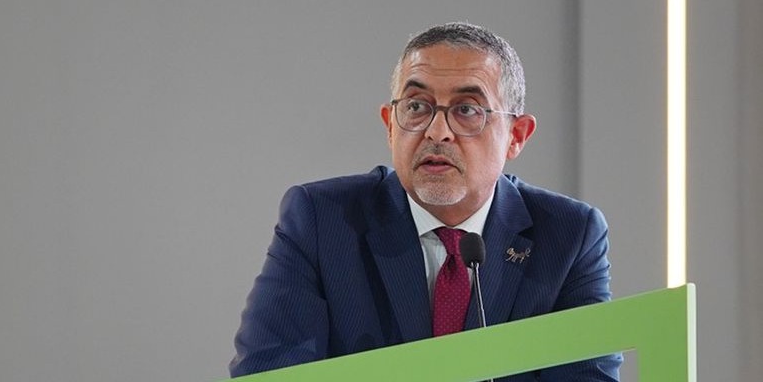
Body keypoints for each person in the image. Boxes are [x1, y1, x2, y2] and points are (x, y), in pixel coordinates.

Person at [229, 22, 620, 380]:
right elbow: (267, 373)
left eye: (466, 110)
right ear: (390, 126)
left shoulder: (569, 236)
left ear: (516, 135)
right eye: (416, 106)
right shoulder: (322, 220)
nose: (437, 131)